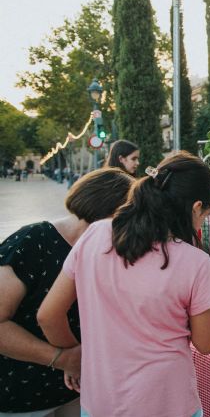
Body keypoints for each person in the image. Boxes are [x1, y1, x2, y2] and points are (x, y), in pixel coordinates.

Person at [38, 152, 210, 417]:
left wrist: (73, 356)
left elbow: (48, 315)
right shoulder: (195, 263)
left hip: (101, 402)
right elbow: (206, 344)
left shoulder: (96, 234)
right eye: (205, 215)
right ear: (195, 208)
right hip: (166, 403)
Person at [0, 168, 133, 417]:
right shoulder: (33, 241)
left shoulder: (111, 251)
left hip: (81, 392)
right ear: (113, 213)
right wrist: (64, 359)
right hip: (22, 395)